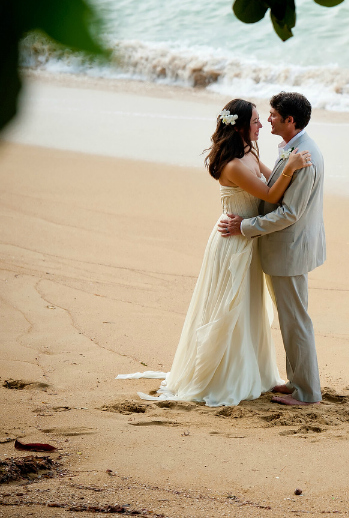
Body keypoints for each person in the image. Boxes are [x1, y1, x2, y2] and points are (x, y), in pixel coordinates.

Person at [116, 99, 312, 407]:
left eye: (263, 120)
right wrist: (290, 166)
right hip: (233, 241)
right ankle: (224, 376)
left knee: (247, 308)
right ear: (242, 126)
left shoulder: (249, 152)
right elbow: (272, 193)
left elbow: (273, 182)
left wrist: (289, 172)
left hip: (246, 238)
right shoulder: (233, 164)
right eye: (256, 121)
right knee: (228, 308)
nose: (261, 125)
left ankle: (253, 372)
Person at [217, 92, 326, 406]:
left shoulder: (303, 157)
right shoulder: (294, 149)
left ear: (289, 120)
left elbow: (289, 213)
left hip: (289, 251)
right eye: (260, 118)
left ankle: (307, 394)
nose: (267, 121)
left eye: (273, 116)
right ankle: (297, 383)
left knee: (296, 321)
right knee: (291, 319)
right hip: (285, 249)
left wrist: (244, 227)